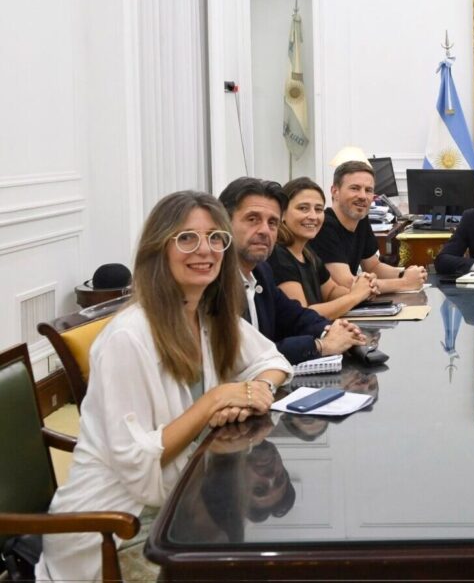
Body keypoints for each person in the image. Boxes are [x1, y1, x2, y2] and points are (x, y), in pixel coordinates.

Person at [36, 191, 293, 582]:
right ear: (159, 249)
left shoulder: (205, 316)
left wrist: (255, 390)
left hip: (184, 503)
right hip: (114, 526)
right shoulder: (129, 337)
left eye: (215, 238)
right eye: (187, 238)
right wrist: (214, 400)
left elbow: (272, 361)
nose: (204, 250)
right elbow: (137, 461)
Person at [219, 177, 366, 363]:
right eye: (252, 219)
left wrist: (335, 329)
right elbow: (250, 354)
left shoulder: (261, 271)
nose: (264, 230)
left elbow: (296, 317)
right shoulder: (214, 281)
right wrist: (321, 345)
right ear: (223, 222)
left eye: (272, 222)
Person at [269, 177, 380, 321]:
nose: (313, 216)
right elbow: (302, 314)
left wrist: (363, 287)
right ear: (282, 214)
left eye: (318, 209)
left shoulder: (308, 254)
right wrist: (355, 296)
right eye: (303, 208)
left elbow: (331, 291)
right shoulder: (278, 256)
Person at [310, 160, 427, 293]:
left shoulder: (360, 220)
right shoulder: (324, 226)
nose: (362, 196)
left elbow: (373, 266)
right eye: (354, 188)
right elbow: (348, 285)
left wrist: (405, 273)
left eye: (368, 190)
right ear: (335, 191)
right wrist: (404, 282)